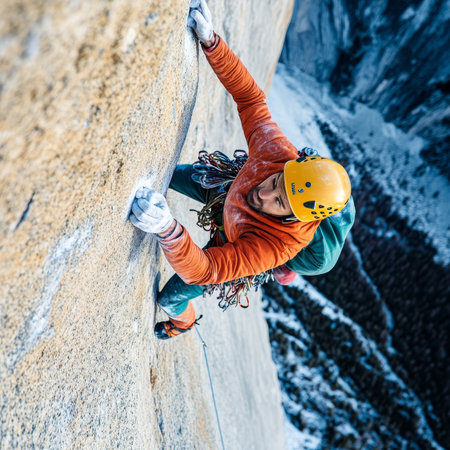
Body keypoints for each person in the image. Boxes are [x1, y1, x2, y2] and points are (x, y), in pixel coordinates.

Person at [129, 0, 355, 340]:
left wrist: (167, 229)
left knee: (171, 299)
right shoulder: (278, 155)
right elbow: (250, 99)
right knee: (167, 174)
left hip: (266, 241)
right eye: (277, 181)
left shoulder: (277, 245)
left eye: (278, 202)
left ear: (294, 218)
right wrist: (211, 42)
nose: (263, 192)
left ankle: (184, 324)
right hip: (229, 190)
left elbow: (207, 270)